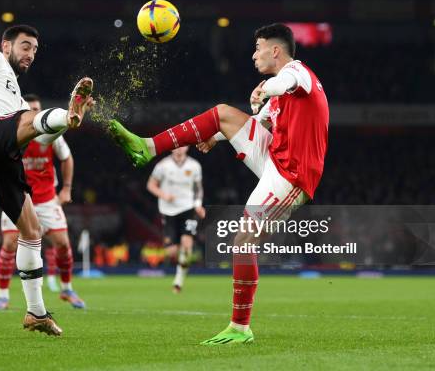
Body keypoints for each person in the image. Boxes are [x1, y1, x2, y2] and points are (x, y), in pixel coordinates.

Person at [109, 23, 329, 345]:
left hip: (293, 175)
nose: (254, 55)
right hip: (273, 156)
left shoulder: (298, 73)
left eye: (258, 48)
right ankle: (149, 146)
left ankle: (240, 327)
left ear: (275, 50)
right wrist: (215, 134)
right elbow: (255, 123)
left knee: (243, 241)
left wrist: (265, 88)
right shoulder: (279, 95)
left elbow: (287, 81)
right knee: (223, 113)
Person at [0, 24, 94, 336]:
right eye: (25, 46)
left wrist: (67, 122)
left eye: (35, 50)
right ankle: (69, 111)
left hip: (2, 157)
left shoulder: (18, 99)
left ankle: (35, 313)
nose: (30, 54)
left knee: (31, 229)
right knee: (28, 119)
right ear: (7, 46)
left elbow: (41, 132)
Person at [0, 94, 86, 311]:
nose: (36, 112)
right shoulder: (10, 133)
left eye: (38, 108)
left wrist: (65, 189)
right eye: (31, 108)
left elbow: (67, 158)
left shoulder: (50, 133)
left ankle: (67, 289)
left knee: (63, 243)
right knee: (9, 244)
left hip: (46, 197)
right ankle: (2, 296)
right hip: (16, 196)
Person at [147, 146, 205, 293]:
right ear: (171, 148)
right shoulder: (162, 166)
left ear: (187, 147)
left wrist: (198, 205)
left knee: (187, 245)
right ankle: (180, 259)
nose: (179, 149)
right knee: (171, 251)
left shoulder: (194, 165)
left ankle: (178, 280)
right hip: (168, 210)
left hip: (188, 208)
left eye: (183, 146)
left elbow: (198, 189)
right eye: (176, 146)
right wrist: (163, 195)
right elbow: (151, 185)